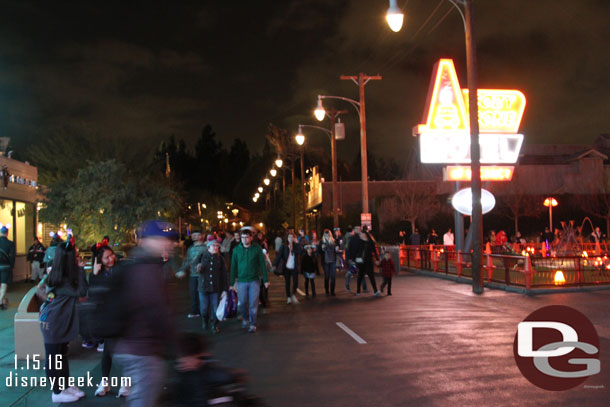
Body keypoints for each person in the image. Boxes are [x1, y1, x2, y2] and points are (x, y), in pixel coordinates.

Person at [114, 220, 178, 407]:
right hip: (143, 349)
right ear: (150, 240)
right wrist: (178, 350)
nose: (170, 244)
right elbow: (158, 312)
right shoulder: (147, 269)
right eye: (165, 239)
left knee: (142, 397)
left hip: (132, 345)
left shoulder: (139, 264)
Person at [39, 241, 88, 403]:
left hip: (57, 319)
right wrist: (81, 269)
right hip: (54, 322)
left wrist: (50, 300)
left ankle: (64, 385)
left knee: (61, 355)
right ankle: (57, 392)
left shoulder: (60, 274)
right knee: (54, 357)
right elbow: (81, 292)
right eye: (75, 253)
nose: (78, 255)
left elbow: (42, 288)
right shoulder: (62, 278)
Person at [89, 246, 130, 398]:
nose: (111, 259)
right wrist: (94, 273)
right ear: (100, 260)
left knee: (126, 351)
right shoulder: (97, 275)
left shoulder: (121, 269)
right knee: (107, 351)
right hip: (107, 317)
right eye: (106, 257)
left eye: (111, 255)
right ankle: (105, 382)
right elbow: (93, 293)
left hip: (123, 314)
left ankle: (125, 383)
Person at [171, 332, 245, 407]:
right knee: (230, 398)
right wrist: (237, 373)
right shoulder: (199, 367)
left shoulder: (179, 367)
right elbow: (223, 376)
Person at [230, 226, 269, 333]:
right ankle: (245, 319)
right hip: (241, 281)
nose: (244, 239)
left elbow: (262, 265)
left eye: (247, 237)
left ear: (251, 238)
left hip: (254, 280)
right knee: (242, 303)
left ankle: (253, 324)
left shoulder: (257, 249)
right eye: (242, 237)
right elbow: (233, 266)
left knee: (253, 303)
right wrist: (231, 282)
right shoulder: (236, 250)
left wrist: (265, 279)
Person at [196, 239, 228, 334]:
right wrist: (198, 268)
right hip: (203, 287)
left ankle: (214, 325)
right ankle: (204, 319)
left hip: (215, 287)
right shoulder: (202, 256)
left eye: (217, 246)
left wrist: (225, 289)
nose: (216, 247)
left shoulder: (220, 259)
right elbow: (195, 267)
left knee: (215, 308)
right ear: (208, 247)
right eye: (213, 246)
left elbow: (224, 275)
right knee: (204, 309)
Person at [177, 230, 206, 319]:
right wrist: (182, 270)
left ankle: (204, 312)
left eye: (197, 235)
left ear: (202, 236)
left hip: (203, 275)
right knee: (193, 293)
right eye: (193, 235)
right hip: (193, 275)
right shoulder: (190, 249)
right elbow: (187, 260)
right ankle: (195, 311)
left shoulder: (206, 248)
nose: (194, 237)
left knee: (203, 294)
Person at [273, 232, 302, 304]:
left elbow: (300, 251)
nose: (291, 239)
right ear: (287, 238)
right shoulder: (284, 246)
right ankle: (288, 297)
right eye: (289, 237)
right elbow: (278, 256)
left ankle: (293, 294)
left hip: (294, 267)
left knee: (295, 282)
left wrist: (297, 243)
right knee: (287, 283)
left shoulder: (296, 246)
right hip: (286, 267)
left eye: (292, 237)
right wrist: (274, 265)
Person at [356, 229, 381, 297]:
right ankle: (358, 290)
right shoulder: (359, 242)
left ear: (365, 235)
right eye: (360, 235)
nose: (360, 236)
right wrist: (356, 261)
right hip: (361, 261)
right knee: (360, 276)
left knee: (371, 275)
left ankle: (375, 290)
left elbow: (374, 251)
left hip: (368, 261)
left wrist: (377, 259)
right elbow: (356, 252)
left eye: (362, 235)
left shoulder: (370, 242)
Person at [345, 226, 367, 292]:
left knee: (350, 272)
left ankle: (347, 286)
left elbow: (348, 249)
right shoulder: (361, 238)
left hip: (353, 258)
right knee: (361, 272)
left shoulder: (351, 238)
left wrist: (349, 258)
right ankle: (364, 288)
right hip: (359, 258)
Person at [0, 226, 15, 309]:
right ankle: (0, 301)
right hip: (5, 266)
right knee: (3, 284)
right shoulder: (10, 243)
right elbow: (12, 256)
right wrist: (11, 265)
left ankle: (2, 301)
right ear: (7, 233)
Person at [320, 229, 338, 296]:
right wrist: (321, 249)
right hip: (326, 262)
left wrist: (337, 250)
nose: (327, 236)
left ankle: (332, 291)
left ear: (330, 235)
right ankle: (327, 291)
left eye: (328, 235)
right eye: (325, 235)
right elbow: (319, 251)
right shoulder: (322, 242)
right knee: (327, 276)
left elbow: (336, 250)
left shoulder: (333, 242)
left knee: (333, 277)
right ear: (324, 236)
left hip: (332, 261)